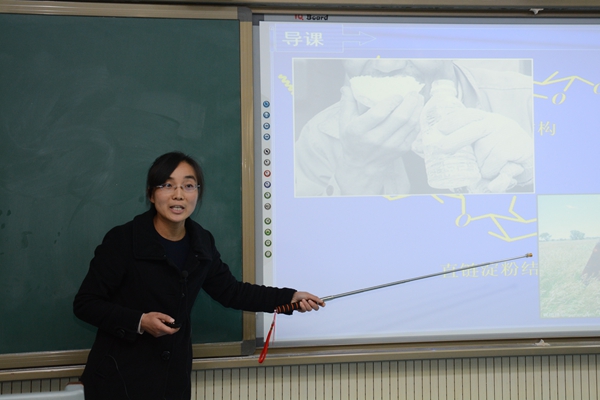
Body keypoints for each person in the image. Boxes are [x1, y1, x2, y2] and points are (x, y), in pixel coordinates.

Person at [73, 151, 324, 400]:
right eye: (167, 185)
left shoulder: (201, 242)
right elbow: (85, 303)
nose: (178, 194)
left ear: (197, 193)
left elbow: (231, 292)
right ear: (151, 194)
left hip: (172, 380)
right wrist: (140, 321)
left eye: (188, 186)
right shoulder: (123, 240)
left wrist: (289, 297)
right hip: (118, 378)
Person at [294, 59, 534, 196]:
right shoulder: (318, 136)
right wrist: (358, 168)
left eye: (408, 39)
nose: (386, 65)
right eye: (363, 42)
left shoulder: (529, 99)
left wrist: (532, 171)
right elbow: (311, 247)